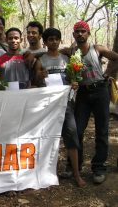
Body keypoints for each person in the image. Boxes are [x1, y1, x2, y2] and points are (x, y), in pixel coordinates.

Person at [34, 28, 86, 187]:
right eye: (50, 39)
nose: (54, 42)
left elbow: (73, 78)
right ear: (45, 42)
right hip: (48, 105)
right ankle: (47, 173)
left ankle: (76, 174)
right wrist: (40, 75)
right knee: (47, 137)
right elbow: (37, 81)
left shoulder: (67, 58)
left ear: (60, 40)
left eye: (56, 39)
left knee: (71, 134)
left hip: (66, 104)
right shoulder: (41, 60)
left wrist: (75, 83)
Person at [71, 21, 118, 184]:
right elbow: (52, 50)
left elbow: (116, 58)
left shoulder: (97, 49)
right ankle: (76, 165)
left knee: (102, 131)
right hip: (83, 94)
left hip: (100, 91)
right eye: (77, 32)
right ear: (73, 35)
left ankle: (99, 168)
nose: (80, 34)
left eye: (83, 31)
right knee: (77, 130)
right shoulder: (72, 51)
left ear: (88, 33)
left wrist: (108, 74)